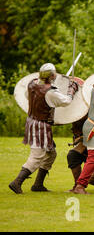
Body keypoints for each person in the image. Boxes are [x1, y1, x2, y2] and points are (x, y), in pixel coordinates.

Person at [9, 63, 78, 194]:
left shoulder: (32, 83)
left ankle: (38, 184)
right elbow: (67, 101)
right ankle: (17, 182)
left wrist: (55, 88)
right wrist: (71, 89)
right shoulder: (50, 92)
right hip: (40, 126)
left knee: (51, 154)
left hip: (32, 122)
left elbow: (31, 95)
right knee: (37, 156)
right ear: (52, 75)